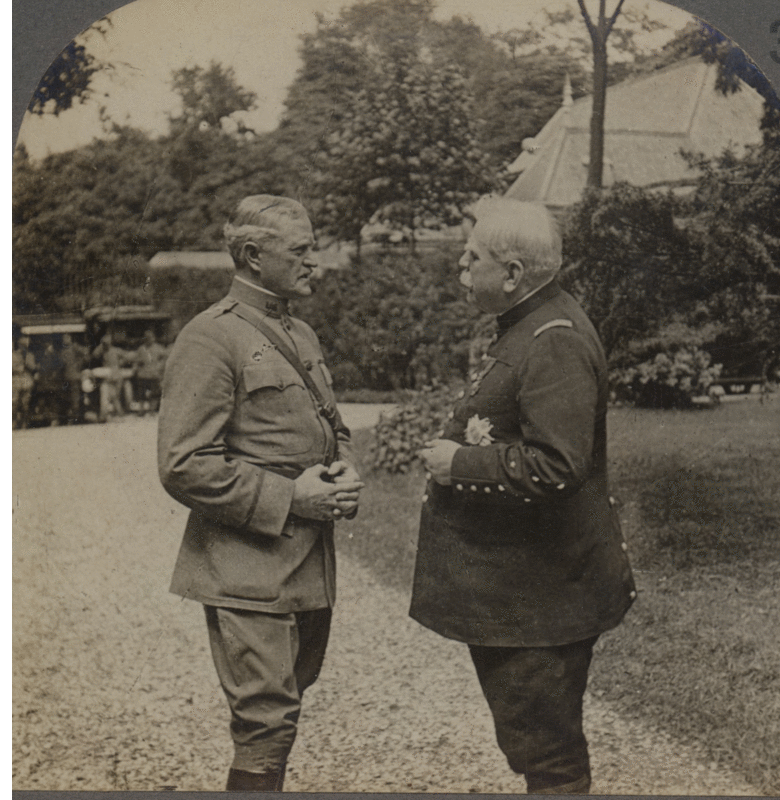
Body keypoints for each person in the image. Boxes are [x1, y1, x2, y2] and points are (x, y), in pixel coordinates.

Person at [412, 197, 636, 795]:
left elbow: (559, 464)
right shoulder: (533, 325)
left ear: (512, 274)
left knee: (550, 756)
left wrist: (459, 462)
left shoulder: (552, 338)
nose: (460, 263)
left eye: (473, 255)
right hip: (533, 591)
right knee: (535, 744)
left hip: (543, 594)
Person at [158, 195, 364, 792]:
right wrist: (289, 499)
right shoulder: (210, 339)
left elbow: (333, 427)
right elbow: (183, 463)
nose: (316, 263)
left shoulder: (298, 331)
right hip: (244, 567)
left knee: (287, 706)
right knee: (265, 723)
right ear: (252, 255)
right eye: (301, 251)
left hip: (305, 565)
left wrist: (344, 470)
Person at [132, 329, 167, 414]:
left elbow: (165, 358)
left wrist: (160, 366)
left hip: (154, 373)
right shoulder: (141, 348)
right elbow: (136, 360)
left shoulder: (159, 348)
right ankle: (141, 410)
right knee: (141, 393)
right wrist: (136, 367)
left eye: (150, 337)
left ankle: (152, 409)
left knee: (154, 393)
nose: (148, 339)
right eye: (146, 337)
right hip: (143, 374)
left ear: (154, 338)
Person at [60, 333, 87, 424]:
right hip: (66, 377)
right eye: (64, 338)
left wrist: (80, 363)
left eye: (67, 338)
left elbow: (85, 353)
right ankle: (72, 417)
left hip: (74, 376)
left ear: (70, 339)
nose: (65, 340)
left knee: (75, 397)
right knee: (69, 397)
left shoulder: (74, 347)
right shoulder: (63, 351)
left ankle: (77, 417)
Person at [12, 336, 36, 430]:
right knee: (14, 402)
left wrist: (27, 362)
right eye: (22, 345)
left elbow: (33, 367)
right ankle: (14, 422)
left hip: (25, 380)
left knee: (25, 403)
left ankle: (24, 423)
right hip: (14, 380)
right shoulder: (15, 355)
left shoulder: (27, 355)